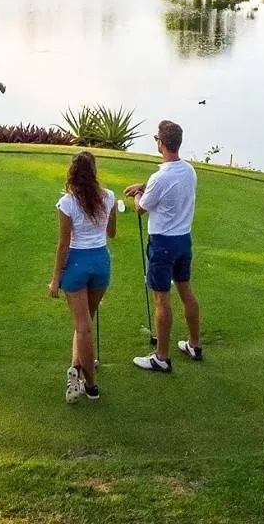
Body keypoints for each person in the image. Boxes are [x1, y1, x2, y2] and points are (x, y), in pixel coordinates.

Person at [124, 119, 202, 373]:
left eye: (156, 139)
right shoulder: (189, 170)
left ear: (161, 144)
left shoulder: (160, 177)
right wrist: (144, 187)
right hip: (183, 240)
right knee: (186, 291)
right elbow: (167, 189)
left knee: (161, 299)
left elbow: (141, 208)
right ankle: (194, 344)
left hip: (162, 244)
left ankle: (162, 357)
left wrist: (138, 194)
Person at [49, 151, 117, 403]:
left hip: (77, 265)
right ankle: (76, 367)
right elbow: (111, 232)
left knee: (83, 326)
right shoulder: (108, 197)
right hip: (100, 263)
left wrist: (56, 278)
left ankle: (91, 385)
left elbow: (63, 245)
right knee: (86, 322)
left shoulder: (67, 203)